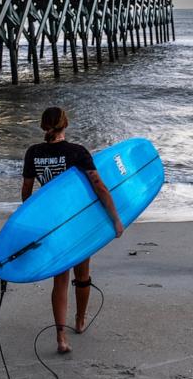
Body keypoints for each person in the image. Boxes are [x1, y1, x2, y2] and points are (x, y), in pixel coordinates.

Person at [21, 106, 124, 354]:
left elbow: (26, 194)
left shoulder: (33, 153)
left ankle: (61, 337)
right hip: (78, 220)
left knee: (60, 278)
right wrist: (115, 219)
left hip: (52, 223)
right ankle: (79, 320)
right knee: (83, 274)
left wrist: (36, 223)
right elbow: (99, 186)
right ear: (65, 124)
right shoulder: (77, 152)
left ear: (43, 126)